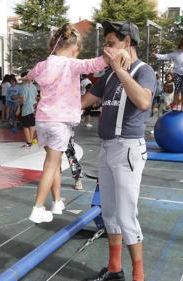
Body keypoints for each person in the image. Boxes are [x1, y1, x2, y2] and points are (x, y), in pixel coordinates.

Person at [26, 23, 129, 224]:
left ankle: (56, 202)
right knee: (51, 165)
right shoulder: (71, 64)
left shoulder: (43, 65)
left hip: (43, 121)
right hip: (59, 122)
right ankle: (37, 208)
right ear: (74, 49)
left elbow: (29, 75)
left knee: (53, 162)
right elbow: (97, 63)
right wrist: (120, 50)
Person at [82, 21, 156, 281]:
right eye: (106, 43)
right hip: (106, 148)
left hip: (127, 149)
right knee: (110, 212)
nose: (107, 48)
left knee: (126, 215)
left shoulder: (143, 71)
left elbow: (144, 101)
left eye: (112, 43)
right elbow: (84, 101)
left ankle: (139, 276)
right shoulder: (109, 75)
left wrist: (119, 69)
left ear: (128, 42)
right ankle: (115, 270)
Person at [154, 37, 183, 110]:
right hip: (177, 73)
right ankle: (176, 104)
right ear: (180, 45)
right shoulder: (176, 53)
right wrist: (157, 55)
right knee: (177, 90)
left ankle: (182, 105)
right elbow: (166, 56)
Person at [19, 72, 38, 148]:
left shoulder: (23, 87)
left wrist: (18, 103)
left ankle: (28, 142)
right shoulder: (33, 86)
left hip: (26, 109)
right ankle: (30, 141)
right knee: (32, 125)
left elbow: (22, 100)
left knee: (26, 126)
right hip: (34, 108)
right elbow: (36, 97)